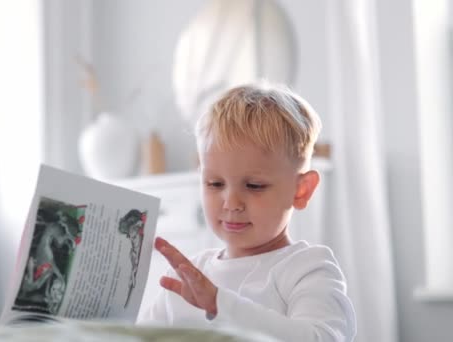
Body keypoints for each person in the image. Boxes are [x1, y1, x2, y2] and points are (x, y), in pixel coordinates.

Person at [137, 83, 356, 341]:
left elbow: (323, 337)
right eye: (215, 184)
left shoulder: (307, 269)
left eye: (254, 186)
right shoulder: (187, 276)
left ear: (301, 190)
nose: (231, 202)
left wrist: (220, 304)